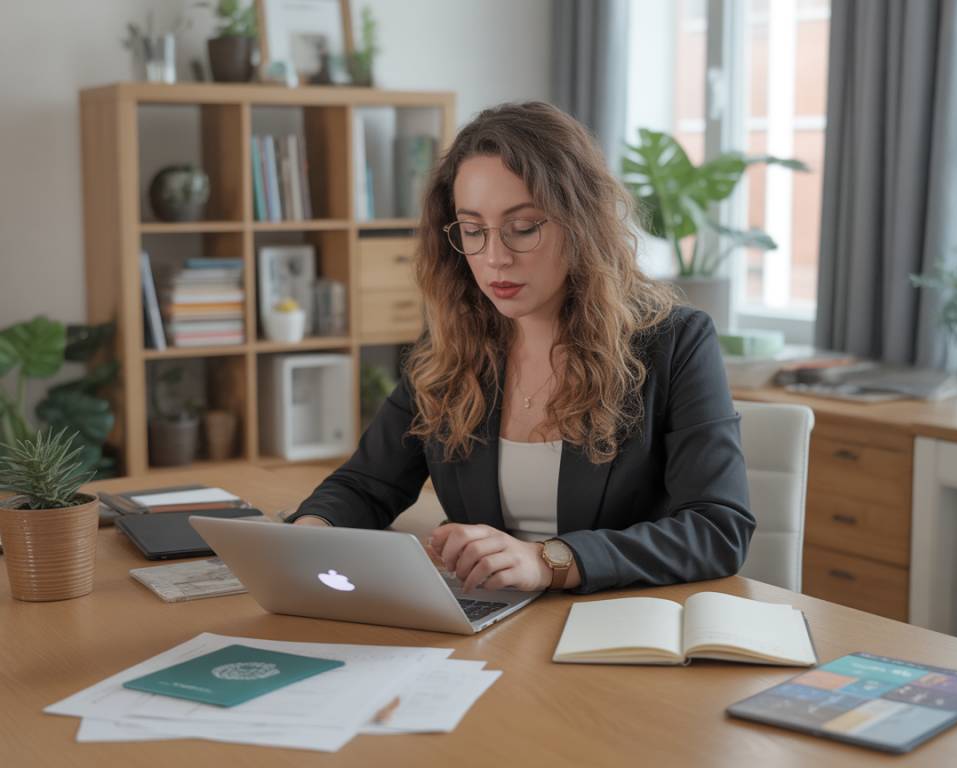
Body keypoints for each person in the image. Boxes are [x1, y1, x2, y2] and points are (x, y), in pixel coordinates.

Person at [289, 101, 753, 595]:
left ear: (580, 222)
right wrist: (309, 535)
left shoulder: (675, 342)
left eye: (524, 227)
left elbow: (717, 530)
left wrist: (549, 560)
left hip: (616, 618)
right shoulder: (450, 347)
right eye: (473, 231)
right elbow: (365, 485)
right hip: (493, 617)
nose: (495, 258)